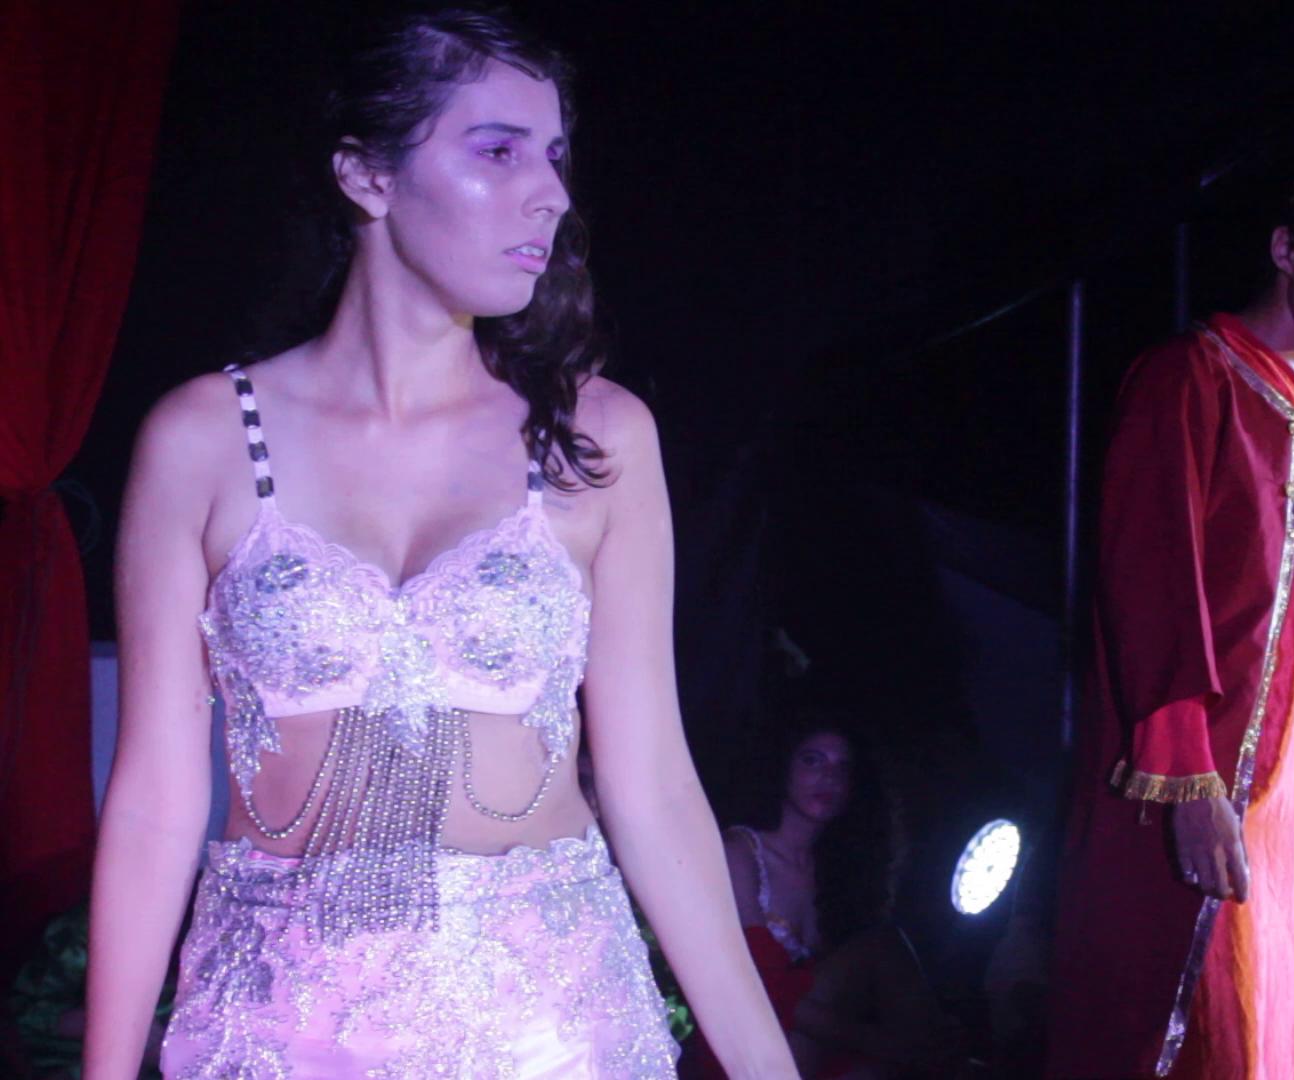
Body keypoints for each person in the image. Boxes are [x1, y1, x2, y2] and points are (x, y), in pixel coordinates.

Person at [83, 10, 795, 1078]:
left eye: (553, 156)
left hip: (551, 1030)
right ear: (367, 175)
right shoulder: (202, 440)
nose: (548, 193)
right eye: (497, 150)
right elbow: (153, 804)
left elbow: (652, 789)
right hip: (274, 1029)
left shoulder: (598, 437)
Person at [1047, 150, 1294, 1079]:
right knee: (1196, 1014)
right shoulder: (1190, 378)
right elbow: (1150, 586)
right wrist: (1189, 780)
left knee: (1281, 1018)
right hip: (1201, 760)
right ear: (1286, 250)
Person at [682, 717, 954, 1078]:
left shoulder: (839, 872)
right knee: (882, 947)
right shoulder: (741, 852)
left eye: (843, 768)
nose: (829, 778)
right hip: (748, 1040)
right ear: (783, 766)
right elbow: (758, 988)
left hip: (815, 1046)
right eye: (813, 761)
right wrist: (880, 1042)